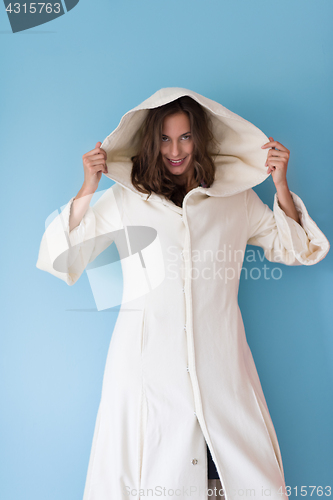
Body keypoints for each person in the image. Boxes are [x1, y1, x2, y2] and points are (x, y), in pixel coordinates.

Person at [36, 88, 330, 500]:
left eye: (186, 137)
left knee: (232, 475)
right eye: (165, 138)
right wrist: (88, 187)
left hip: (220, 362)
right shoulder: (126, 199)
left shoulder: (233, 199)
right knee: (152, 469)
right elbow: (62, 256)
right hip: (145, 366)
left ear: (201, 139)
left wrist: (280, 185)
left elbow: (296, 250)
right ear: (151, 141)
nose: (175, 150)